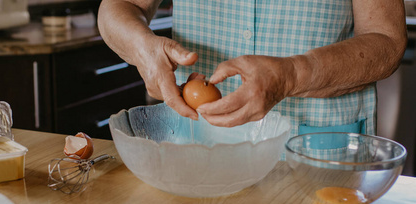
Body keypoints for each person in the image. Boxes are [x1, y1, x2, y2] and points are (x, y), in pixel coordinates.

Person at [97, 0, 407, 140]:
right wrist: (142, 49)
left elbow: (388, 40)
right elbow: (120, 6)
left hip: (317, 153)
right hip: (199, 147)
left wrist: (294, 74)